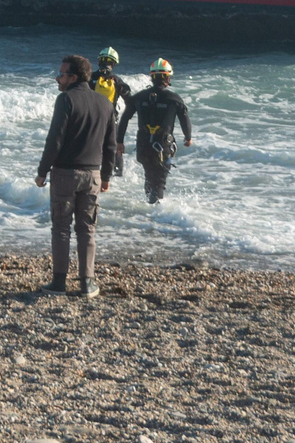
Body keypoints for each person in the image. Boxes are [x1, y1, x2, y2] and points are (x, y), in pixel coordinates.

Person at [34, 54, 117, 297]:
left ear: (73, 77)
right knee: (87, 229)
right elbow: (110, 145)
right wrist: (106, 177)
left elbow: (54, 140)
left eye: (61, 74)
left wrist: (42, 172)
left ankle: (59, 282)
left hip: (65, 174)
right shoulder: (105, 103)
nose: (58, 78)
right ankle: (87, 283)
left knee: (61, 227)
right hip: (92, 175)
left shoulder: (66, 99)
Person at [118, 58, 192, 204]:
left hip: (143, 144)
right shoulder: (174, 99)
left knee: (149, 177)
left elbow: (124, 119)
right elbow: (184, 119)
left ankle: (148, 209)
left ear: (152, 77)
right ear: (168, 77)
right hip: (162, 146)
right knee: (159, 182)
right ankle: (154, 216)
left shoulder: (139, 97)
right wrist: (188, 137)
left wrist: (119, 141)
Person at [89, 47, 134, 176]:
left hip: (91, 120)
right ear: (113, 64)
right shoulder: (117, 81)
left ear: (99, 62)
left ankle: (91, 173)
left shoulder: (89, 78)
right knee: (114, 150)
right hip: (110, 120)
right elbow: (130, 102)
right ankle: (117, 176)